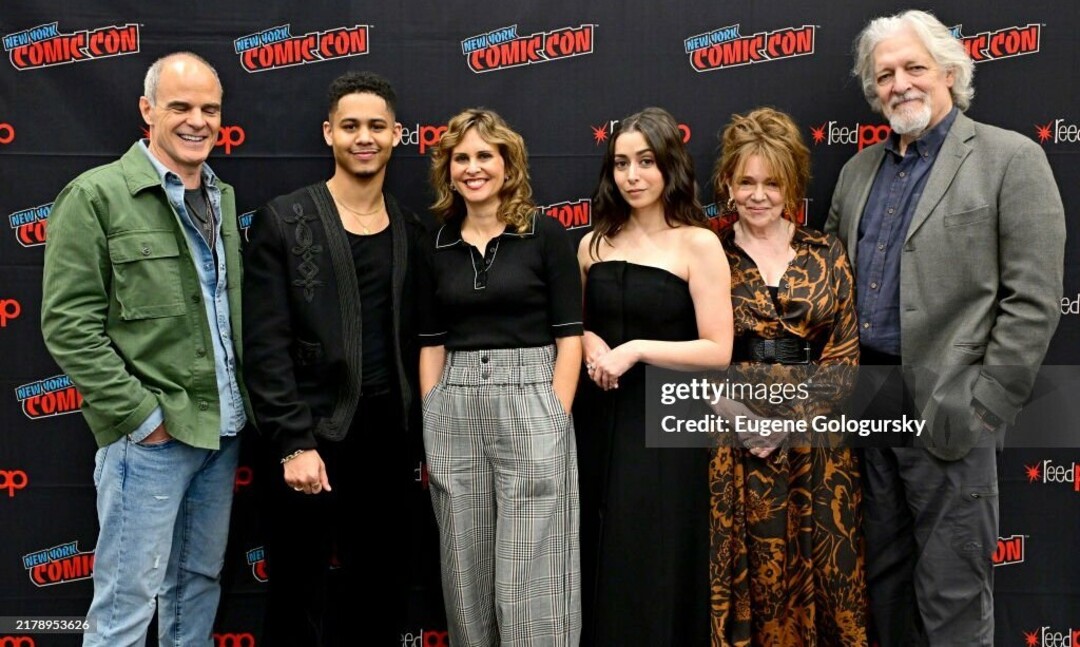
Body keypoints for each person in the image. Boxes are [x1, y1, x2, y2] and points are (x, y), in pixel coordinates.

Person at [826, 10, 1065, 646]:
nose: (899, 84)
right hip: (868, 406)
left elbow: (1034, 301)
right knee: (882, 587)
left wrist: (985, 405)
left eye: (914, 67)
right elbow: (830, 286)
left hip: (951, 407)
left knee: (952, 597)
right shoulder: (856, 173)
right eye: (885, 75)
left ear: (950, 73)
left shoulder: (1011, 159)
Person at [40, 52, 248, 646]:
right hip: (151, 439)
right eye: (180, 106)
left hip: (222, 432)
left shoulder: (222, 195)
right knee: (125, 604)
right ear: (147, 110)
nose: (197, 121)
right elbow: (68, 324)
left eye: (210, 109)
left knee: (196, 587)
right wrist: (142, 418)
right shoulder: (96, 195)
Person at [241, 71, 426, 645]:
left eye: (376, 126)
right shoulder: (283, 220)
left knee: (381, 594)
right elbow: (264, 345)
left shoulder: (412, 228)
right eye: (350, 126)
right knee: (298, 597)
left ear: (397, 134)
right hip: (310, 437)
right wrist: (293, 442)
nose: (363, 137)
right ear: (329, 133)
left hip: (389, 441)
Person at [418, 108, 583, 646]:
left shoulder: (544, 234)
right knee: (463, 565)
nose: (473, 168)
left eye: (485, 155)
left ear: (507, 164)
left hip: (533, 397)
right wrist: (433, 412)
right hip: (456, 403)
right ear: (448, 170)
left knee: (533, 568)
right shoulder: (436, 244)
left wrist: (554, 414)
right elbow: (430, 343)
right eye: (461, 158)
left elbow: (570, 338)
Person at [708, 107, 867, 646]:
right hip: (734, 439)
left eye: (772, 183)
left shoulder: (825, 252)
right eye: (746, 182)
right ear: (728, 185)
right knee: (750, 567)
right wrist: (738, 416)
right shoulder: (710, 252)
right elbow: (694, 349)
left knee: (826, 569)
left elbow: (843, 354)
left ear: (792, 185)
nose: (758, 195)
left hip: (817, 444)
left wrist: (788, 423)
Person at [574, 106, 733, 646]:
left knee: (651, 555)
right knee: (597, 549)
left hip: (665, 420)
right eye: (621, 163)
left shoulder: (698, 243)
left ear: (669, 165)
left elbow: (718, 349)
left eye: (645, 161)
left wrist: (636, 350)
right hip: (597, 416)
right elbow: (572, 326)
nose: (632, 175)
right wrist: (590, 342)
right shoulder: (592, 243)